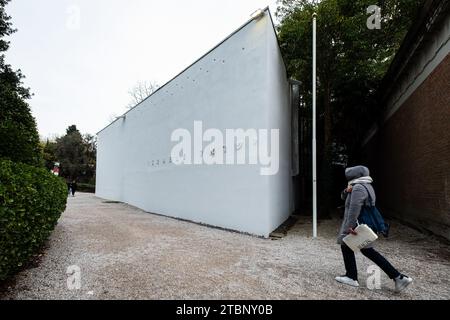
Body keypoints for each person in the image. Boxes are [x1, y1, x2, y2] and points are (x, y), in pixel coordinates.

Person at [335, 165, 413, 293]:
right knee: (364, 250)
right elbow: (345, 198)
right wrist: (346, 191)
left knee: (351, 246)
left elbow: (355, 208)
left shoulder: (358, 187)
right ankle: (398, 277)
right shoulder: (365, 185)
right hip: (362, 224)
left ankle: (352, 277)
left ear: (355, 176)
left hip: (356, 226)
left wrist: (349, 226)